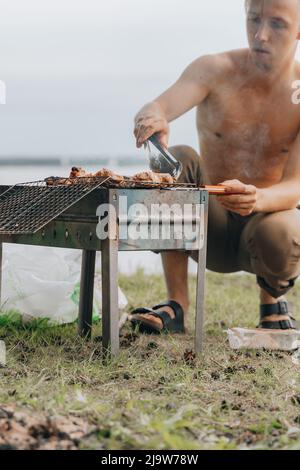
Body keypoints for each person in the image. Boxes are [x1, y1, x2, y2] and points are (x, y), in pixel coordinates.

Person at [131, 0, 300, 334]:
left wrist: (257, 198)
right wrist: (151, 117)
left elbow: (296, 184)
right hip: (210, 223)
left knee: (283, 232)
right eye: (253, 19)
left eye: (277, 24)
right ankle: (176, 303)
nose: (261, 35)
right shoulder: (214, 68)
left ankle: (271, 302)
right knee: (178, 158)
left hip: (266, 224)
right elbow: (159, 105)